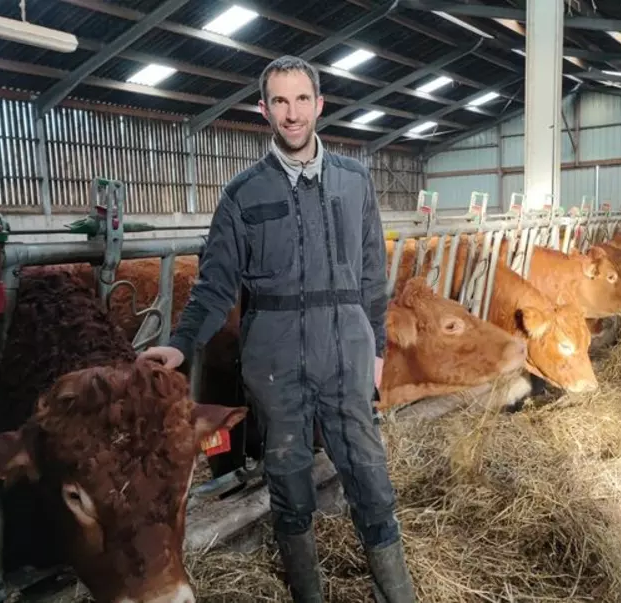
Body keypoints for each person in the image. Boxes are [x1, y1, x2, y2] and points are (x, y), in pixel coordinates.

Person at [138, 55, 415, 603]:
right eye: (280, 102)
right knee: (289, 486)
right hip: (276, 365)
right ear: (263, 109)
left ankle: (398, 595)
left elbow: (370, 277)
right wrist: (180, 342)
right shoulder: (243, 193)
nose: (292, 114)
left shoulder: (355, 181)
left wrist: (377, 349)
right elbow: (216, 285)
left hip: (346, 357)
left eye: (302, 100)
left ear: (320, 104)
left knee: (372, 482)